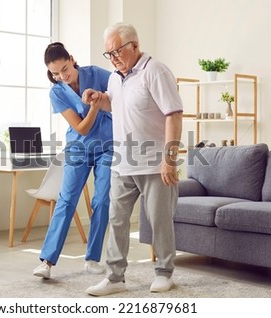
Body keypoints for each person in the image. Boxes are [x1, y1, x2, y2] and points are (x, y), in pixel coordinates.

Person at [82, 23, 183, 296]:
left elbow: (173, 115)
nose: (113, 58)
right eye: (108, 54)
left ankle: (165, 273)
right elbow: (116, 105)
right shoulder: (115, 78)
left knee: (159, 220)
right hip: (122, 162)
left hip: (154, 163)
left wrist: (170, 159)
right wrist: (99, 99)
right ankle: (115, 278)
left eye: (117, 51)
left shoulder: (156, 71)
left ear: (134, 46)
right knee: (117, 220)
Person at [33, 42, 113, 279]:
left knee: (101, 201)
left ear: (72, 59)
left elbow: (122, 88)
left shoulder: (97, 74)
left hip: (108, 147)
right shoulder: (57, 91)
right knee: (66, 200)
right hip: (78, 147)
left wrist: (102, 99)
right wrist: (95, 108)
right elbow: (81, 127)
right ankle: (47, 262)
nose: (62, 76)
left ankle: (92, 259)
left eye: (65, 69)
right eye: (56, 73)